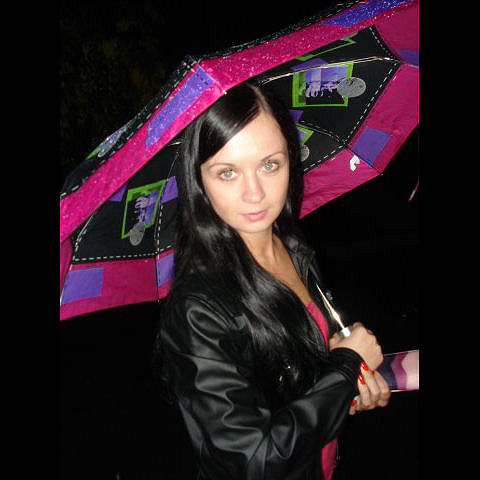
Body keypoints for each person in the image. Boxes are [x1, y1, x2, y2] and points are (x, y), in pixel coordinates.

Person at [154, 82, 390, 480]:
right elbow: (254, 460)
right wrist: (347, 367)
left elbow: (300, 381)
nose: (255, 194)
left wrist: (345, 388)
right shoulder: (198, 309)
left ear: (290, 160)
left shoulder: (292, 246)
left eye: (269, 165)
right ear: (199, 180)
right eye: (227, 172)